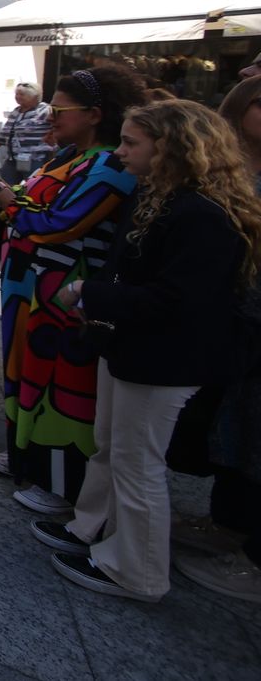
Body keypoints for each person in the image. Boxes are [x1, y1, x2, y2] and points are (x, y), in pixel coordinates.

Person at [25, 100, 261, 603]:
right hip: (131, 343)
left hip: (164, 356)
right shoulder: (162, 196)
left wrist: (90, 293)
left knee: (138, 461)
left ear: (170, 147)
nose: (122, 150)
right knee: (111, 443)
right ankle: (91, 527)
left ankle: (137, 570)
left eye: (132, 142)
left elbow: (177, 301)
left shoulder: (202, 214)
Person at [0, 65, 146, 512]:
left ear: (93, 114)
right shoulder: (64, 156)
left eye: (60, 109)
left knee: (59, 378)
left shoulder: (108, 164)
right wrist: (5, 194)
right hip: (29, 282)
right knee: (24, 369)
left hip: (62, 288)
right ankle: (23, 458)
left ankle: (59, 485)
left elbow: (57, 224)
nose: (51, 117)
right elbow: (31, 205)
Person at [171, 77, 261, 602]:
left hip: (247, 320)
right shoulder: (226, 176)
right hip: (231, 325)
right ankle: (228, 525)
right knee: (237, 434)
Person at [0, 82, 52, 184]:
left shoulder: (44, 110)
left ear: (34, 96)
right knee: (2, 185)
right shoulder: (16, 111)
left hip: (34, 159)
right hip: (13, 159)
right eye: (16, 94)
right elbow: (4, 134)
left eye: (21, 94)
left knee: (33, 186)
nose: (17, 97)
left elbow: (58, 124)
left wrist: (51, 140)